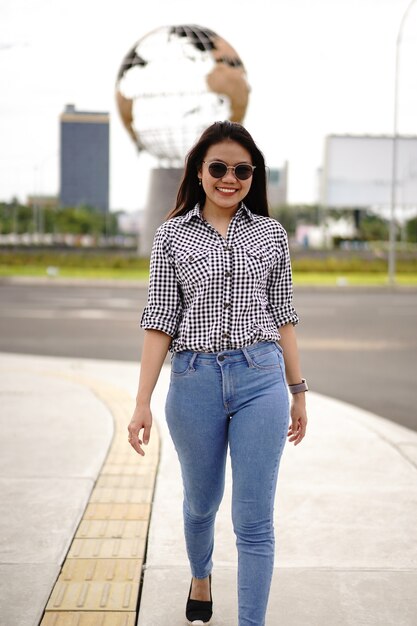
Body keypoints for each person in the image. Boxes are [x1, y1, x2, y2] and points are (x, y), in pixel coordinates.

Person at [128, 120, 308, 626]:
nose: (230, 178)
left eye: (242, 169)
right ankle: (200, 575)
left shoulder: (271, 235)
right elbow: (159, 321)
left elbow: (285, 318)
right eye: (219, 167)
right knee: (201, 503)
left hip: (261, 379)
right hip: (193, 381)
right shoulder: (172, 236)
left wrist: (298, 391)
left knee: (253, 521)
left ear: (254, 175)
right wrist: (141, 401)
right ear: (200, 171)